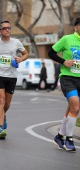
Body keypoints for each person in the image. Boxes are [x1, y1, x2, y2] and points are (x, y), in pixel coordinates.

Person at [0, 20, 28, 139]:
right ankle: (0, 128)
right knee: (1, 100)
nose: (7, 30)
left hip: (11, 75)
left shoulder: (16, 42)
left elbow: (25, 54)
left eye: (9, 28)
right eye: (4, 28)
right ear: (0, 31)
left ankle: (4, 115)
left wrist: (20, 59)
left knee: (7, 104)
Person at [48, 17, 80, 152]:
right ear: (76, 27)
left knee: (71, 110)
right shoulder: (67, 39)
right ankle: (69, 139)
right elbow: (51, 52)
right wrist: (63, 61)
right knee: (76, 106)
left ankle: (60, 136)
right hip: (68, 78)